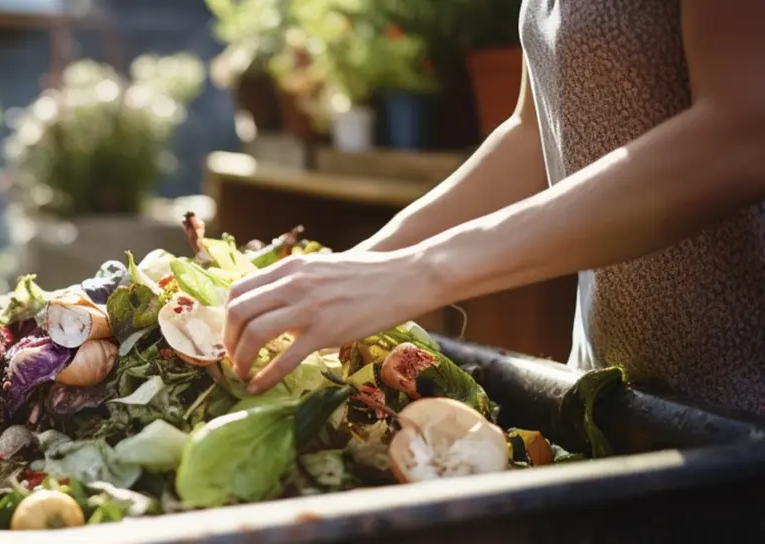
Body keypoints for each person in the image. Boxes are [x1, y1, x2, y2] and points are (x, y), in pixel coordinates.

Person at [222, 1, 765, 414]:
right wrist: (361, 267)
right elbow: (534, 135)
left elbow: (743, 131)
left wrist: (422, 271)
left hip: (744, 414)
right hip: (624, 396)